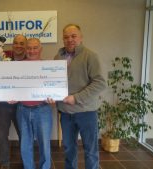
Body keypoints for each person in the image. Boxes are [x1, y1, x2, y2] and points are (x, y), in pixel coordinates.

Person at [54, 24, 106, 169]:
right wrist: (51, 95)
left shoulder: (91, 56)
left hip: (86, 112)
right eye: (66, 37)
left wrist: (76, 98)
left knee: (90, 150)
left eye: (73, 36)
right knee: (69, 149)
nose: (69, 39)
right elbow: (53, 83)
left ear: (81, 38)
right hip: (65, 113)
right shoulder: (58, 57)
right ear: (62, 39)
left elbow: (100, 83)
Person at [16, 38, 54, 169]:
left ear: (40, 49)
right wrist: (11, 95)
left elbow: (54, 88)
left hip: (42, 109)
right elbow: (13, 86)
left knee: (44, 145)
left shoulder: (49, 67)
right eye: (29, 48)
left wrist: (54, 96)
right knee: (25, 145)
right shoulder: (17, 66)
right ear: (25, 49)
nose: (32, 51)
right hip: (22, 109)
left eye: (35, 48)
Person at [0, 34, 27, 169]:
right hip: (4, 104)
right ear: (12, 44)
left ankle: (26, 160)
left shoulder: (30, 61)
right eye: (16, 43)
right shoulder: (3, 58)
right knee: (2, 135)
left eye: (21, 43)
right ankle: (4, 163)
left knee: (24, 135)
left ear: (25, 45)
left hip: (23, 105)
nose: (18, 45)